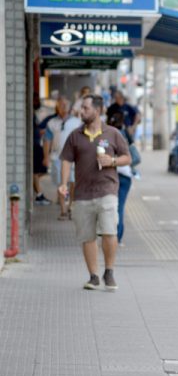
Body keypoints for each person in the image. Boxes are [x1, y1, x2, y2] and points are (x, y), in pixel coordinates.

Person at [59, 94, 131, 291]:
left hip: (107, 190)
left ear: (97, 111)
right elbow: (66, 160)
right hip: (82, 193)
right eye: (82, 108)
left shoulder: (112, 133)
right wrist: (64, 184)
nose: (81, 112)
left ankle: (109, 271)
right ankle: (93, 276)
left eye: (86, 108)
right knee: (87, 236)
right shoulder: (75, 135)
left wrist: (113, 161)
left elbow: (127, 157)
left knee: (109, 231)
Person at [43, 96, 82, 220]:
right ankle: (63, 210)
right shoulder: (52, 123)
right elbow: (47, 140)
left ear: (70, 107)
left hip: (74, 158)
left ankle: (71, 206)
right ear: (57, 107)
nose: (63, 106)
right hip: (57, 157)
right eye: (61, 104)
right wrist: (46, 157)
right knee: (61, 184)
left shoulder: (77, 122)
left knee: (73, 184)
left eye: (65, 104)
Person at [107, 111, 133, 245]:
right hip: (125, 175)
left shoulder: (105, 136)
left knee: (108, 207)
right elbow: (132, 152)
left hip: (109, 175)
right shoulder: (125, 134)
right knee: (120, 207)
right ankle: (117, 237)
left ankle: (110, 235)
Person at [33, 97, 52, 206]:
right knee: (36, 171)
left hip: (37, 144)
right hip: (35, 145)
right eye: (36, 100)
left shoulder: (35, 114)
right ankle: (39, 194)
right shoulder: (31, 114)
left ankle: (38, 192)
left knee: (40, 171)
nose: (37, 102)